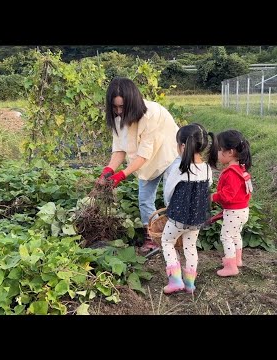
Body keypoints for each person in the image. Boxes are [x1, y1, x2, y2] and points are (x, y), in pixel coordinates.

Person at [97, 77, 180, 254]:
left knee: (170, 198)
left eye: (122, 107)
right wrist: (108, 171)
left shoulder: (151, 114)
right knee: (144, 200)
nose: (119, 112)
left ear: (132, 102)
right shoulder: (118, 120)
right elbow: (119, 150)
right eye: (115, 107)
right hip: (145, 162)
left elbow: (144, 153)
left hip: (169, 155)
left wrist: (121, 175)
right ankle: (154, 238)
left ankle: (176, 238)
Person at [160, 123, 215, 294]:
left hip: (178, 217)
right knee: (190, 247)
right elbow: (209, 186)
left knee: (167, 242)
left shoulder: (180, 169)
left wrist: (169, 205)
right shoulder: (206, 168)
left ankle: (175, 280)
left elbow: (168, 191)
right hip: (197, 218)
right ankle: (190, 284)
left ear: (183, 146)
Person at [208, 130, 253, 277]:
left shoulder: (231, 173)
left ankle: (231, 266)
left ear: (230, 152)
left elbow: (227, 196)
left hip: (234, 212)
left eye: (220, 150)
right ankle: (237, 260)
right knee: (235, 235)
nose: (218, 153)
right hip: (242, 211)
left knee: (226, 236)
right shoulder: (240, 168)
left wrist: (213, 197)